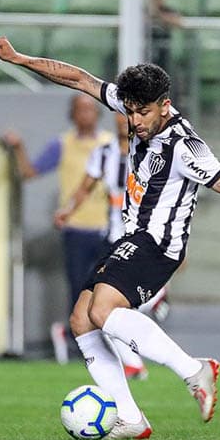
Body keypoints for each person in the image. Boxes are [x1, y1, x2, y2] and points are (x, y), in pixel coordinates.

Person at [0, 37, 220, 439]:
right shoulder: (129, 105)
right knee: (80, 320)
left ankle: (195, 370)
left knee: (103, 311)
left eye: (143, 112)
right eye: (131, 112)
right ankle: (131, 417)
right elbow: (77, 78)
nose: (135, 121)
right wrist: (19, 59)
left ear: (164, 104)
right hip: (131, 236)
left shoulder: (186, 146)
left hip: (158, 244)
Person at [54, 114, 169, 381]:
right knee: (101, 309)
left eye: (129, 114)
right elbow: (84, 188)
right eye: (120, 114)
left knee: (106, 307)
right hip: (114, 237)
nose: (123, 120)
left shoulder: (153, 151)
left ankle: (155, 298)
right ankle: (134, 364)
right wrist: (67, 210)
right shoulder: (103, 153)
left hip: (145, 237)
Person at [4, 95, 113, 364]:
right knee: (78, 290)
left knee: (109, 292)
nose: (85, 114)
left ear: (98, 114)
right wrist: (18, 147)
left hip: (110, 228)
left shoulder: (111, 144)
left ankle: (111, 348)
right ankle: (79, 347)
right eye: (80, 109)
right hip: (76, 229)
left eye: (90, 109)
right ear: (72, 114)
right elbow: (30, 172)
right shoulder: (62, 144)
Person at [147, 0, 182, 76]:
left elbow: (179, 23)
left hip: (164, 55)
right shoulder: (142, 10)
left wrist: (157, 14)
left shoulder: (168, 10)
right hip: (145, 50)